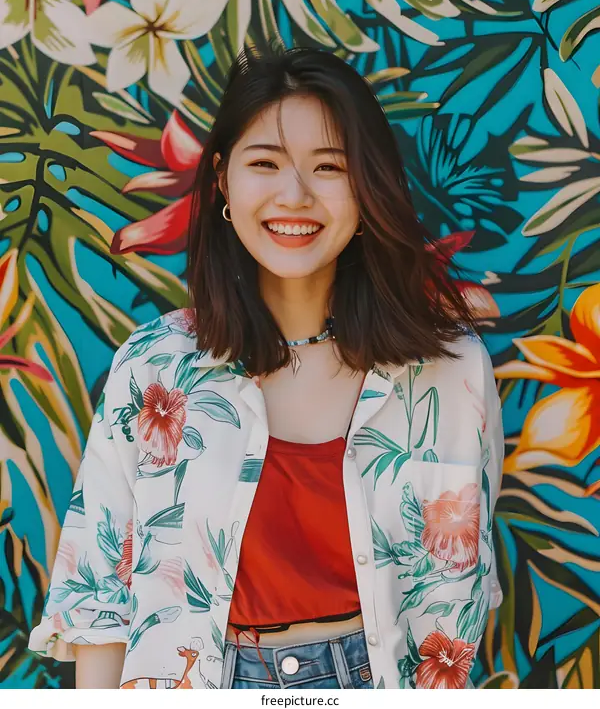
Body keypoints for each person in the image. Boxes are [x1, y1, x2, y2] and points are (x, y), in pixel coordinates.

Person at [29, 47, 504, 689]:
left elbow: (460, 603)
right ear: (223, 180)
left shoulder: (453, 371)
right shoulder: (153, 371)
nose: (295, 195)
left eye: (328, 167)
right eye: (265, 164)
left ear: (367, 184)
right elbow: (100, 606)